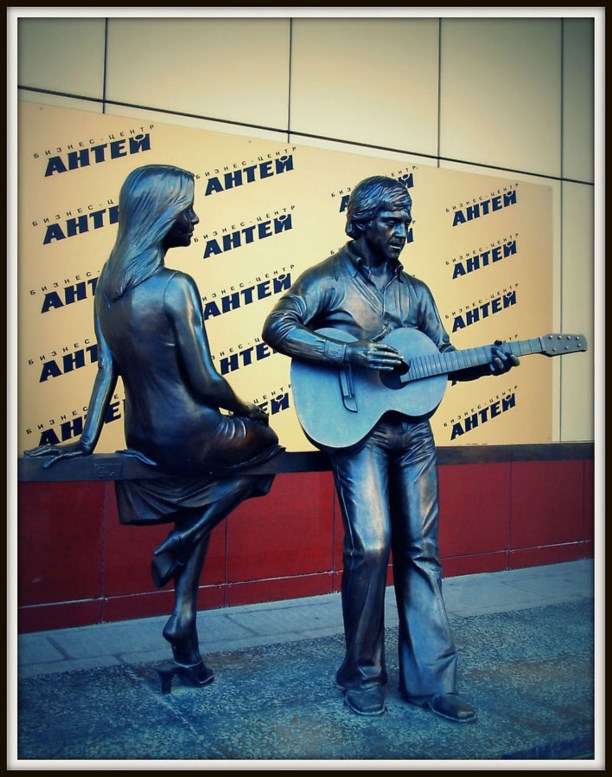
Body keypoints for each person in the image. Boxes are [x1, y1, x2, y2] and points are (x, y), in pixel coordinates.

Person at [262, 175, 518, 721]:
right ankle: (361, 673)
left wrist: (486, 363)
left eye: (407, 221)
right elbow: (277, 326)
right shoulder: (328, 279)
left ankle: (432, 682)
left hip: (414, 433)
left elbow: (443, 357)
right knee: (372, 545)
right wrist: (349, 354)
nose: (403, 231)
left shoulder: (416, 292)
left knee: (422, 550)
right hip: (358, 431)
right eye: (391, 221)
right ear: (361, 222)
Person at [26, 164, 283, 687]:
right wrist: (250, 411)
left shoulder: (107, 285)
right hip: (194, 435)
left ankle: (183, 627)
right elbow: (206, 382)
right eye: (187, 209)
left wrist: (86, 441)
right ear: (161, 216)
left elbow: (106, 370)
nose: (195, 219)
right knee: (269, 451)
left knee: (200, 494)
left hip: (143, 438)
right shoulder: (175, 286)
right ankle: (185, 535)